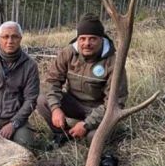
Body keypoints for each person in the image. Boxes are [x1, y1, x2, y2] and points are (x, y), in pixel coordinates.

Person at [37, 13, 128, 145]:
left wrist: (86, 125)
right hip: (74, 104)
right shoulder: (68, 53)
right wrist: (56, 108)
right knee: (42, 100)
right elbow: (52, 81)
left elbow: (115, 103)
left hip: (99, 110)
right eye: (83, 38)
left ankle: (88, 134)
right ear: (78, 39)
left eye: (92, 39)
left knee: (93, 138)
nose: (86, 43)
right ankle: (63, 135)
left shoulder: (114, 62)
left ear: (101, 39)